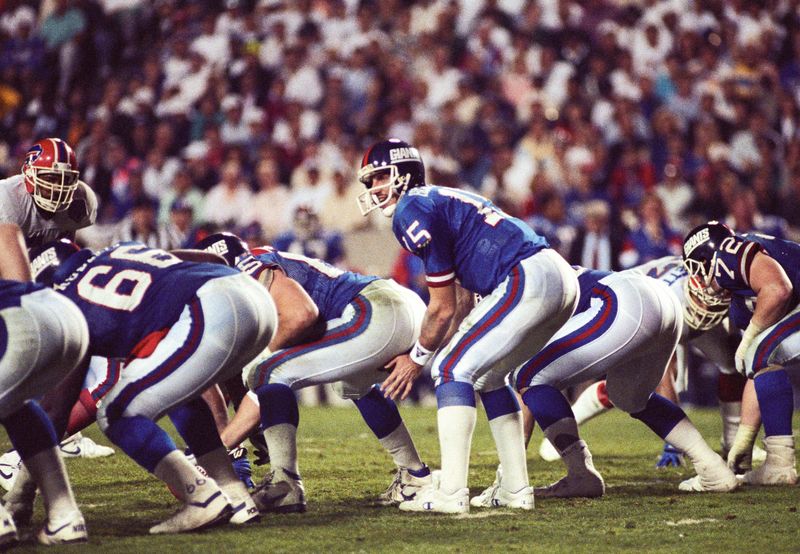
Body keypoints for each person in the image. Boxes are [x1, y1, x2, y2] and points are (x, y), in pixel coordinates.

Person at [358, 139, 579, 514]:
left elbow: (441, 308)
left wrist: (417, 358)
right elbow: (460, 304)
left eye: (379, 177)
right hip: (555, 277)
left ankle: (451, 492)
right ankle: (515, 488)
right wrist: (440, 347)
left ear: (403, 174)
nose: (374, 188)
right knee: (488, 376)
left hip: (523, 276)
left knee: (449, 370)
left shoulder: (411, 207)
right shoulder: (438, 200)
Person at [20, 238, 277, 534]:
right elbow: (214, 260)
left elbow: (55, 409)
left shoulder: (70, 300)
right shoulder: (121, 250)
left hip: (211, 310)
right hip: (254, 298)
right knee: (180, 396)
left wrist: (21, 494)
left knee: (116, 413)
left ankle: (201, 496)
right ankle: (235, 496)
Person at [194, 232, 433, 513]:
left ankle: (285, 484)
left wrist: (212, 453)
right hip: (396, 307)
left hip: (375, 309)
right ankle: (414, 475)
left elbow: (301, 315)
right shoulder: (261, 265)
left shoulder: (247, 266)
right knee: (351, 385)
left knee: (265, 370)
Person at [469, 261, 739, 503]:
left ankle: (578, 473)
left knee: (527, 375)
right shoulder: (531, 273)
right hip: (662, 300)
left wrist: (508, 473)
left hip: (624, 301)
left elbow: (523, 392)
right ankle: (713, 469)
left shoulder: (517, 291)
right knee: (629, 397)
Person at [536, 256, 761, 472]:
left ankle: (732, 440)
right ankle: (571, 423)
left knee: (732, 362)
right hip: (647, 307)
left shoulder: (721, 281)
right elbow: (665, 376)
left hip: (686, 306)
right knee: (630, 389)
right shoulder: (671, 294)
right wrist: (672, 445)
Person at [683, 221, 799, 486]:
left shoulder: (727, 253)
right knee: (760, 358)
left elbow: (778, 289)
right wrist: (743, 440)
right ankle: (778, 462)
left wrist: (748, 340)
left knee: (759, 351)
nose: (699, 280)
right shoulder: (740, 303)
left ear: (708, 257)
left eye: (698, 269)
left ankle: (780, 464)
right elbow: (758, 370)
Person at [0, 223, 89, 546]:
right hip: (63, 313)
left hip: (21, 316)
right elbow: (7, 232)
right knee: (18, 407)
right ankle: (64, 516)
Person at [0, 138, 97, 247]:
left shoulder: (81, 198)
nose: (57, 187)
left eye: (65, 180)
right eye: (50, 179)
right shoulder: (8, 199)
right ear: (30, 176)